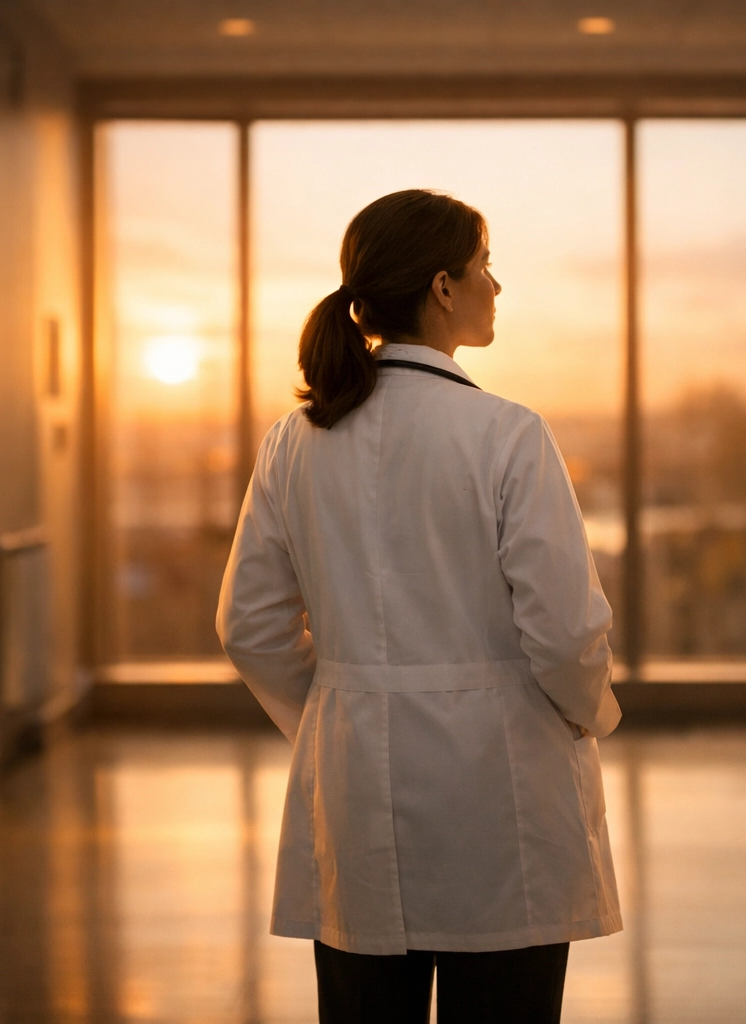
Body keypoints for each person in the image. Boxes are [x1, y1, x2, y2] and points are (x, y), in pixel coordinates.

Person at [217, 189, 621, 1024]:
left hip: (356, 779)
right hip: (499, 782)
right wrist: (591, 713)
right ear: (443, 287)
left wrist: (340, 709)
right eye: (484, 267)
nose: (496, 287)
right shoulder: (508, 435)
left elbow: (248, 626)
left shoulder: (296, 440)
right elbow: (565, 632)